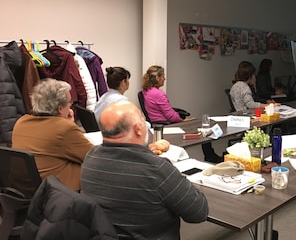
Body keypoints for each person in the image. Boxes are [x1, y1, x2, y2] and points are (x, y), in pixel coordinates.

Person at [80, 101, 208, 239]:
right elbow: (198, 212)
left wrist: (147, 154)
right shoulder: (157, 169)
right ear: (139, 129)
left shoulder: (91, 157)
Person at [12, 78, 94, 190]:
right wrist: (71, 125)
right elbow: (93, 157)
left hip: (30, 190)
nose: (71, 105)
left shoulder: (21, 122)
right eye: (70, 102)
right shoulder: (64, 129)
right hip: (61, 193)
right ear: (60, 108)